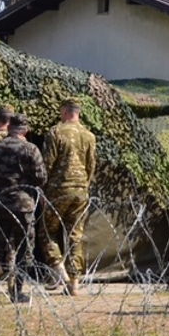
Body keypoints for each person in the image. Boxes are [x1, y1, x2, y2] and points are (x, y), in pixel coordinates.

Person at [0, 114, 47, 305]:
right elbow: (41, 178)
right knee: (23, 249)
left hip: (0, 203)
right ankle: (16, 290)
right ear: (25, 130)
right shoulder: (30, 149)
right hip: (23, 205)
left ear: (9, 127)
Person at [39, 98, 97, 296]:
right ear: (78, 112)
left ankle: (58, 269)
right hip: (81, 190)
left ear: (64, 111)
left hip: (58, 190)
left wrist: (43, 189)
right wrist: (84, 185)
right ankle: (74, 282)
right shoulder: (89, 136)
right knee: (75, 235)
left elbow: (47, 164)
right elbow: (91, 166)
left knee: (47, 230)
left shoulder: (55, 133)